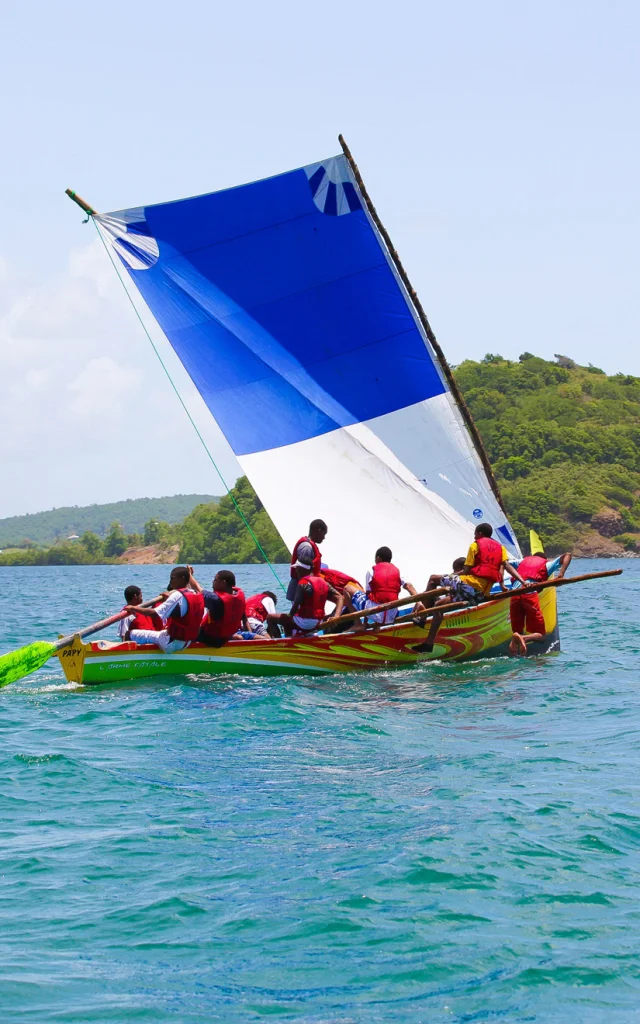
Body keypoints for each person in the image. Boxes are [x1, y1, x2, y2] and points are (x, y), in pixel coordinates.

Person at [124, 566, 205, 652]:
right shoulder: (196, 594)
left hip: (171, 644)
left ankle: (126, 661)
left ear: (182, 578)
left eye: (172, 578)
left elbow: (154, 613)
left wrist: (134, 608)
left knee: (129, 634)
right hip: (187, 642)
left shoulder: (177, 595)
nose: (170, 582)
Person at [509, 547, 572, 655]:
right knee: (541, 636)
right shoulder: (546, 564)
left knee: (516, 632)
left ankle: (516, 642)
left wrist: (502, 584)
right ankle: (523, 638)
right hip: (529, 595)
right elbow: (568, 555)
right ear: (544, 559)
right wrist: (560, 575)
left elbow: (504, 563)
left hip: (514, 595)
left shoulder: (521, 561)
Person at [191, 570, 248, 646]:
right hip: (226, 636)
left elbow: (198, 589)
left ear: (223, 583)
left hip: (211, 639)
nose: (212, 581)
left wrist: (189, 575)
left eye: (215, 580)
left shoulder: (216, 599)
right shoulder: (238, 596)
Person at [288, 559, 344, 636]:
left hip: (304, 623)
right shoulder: (324, 582)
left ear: (303, 569)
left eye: (297, 568)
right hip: (318, 622)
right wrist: (336, 616)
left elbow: (295, 607)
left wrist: (289, 616)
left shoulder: (303, 582)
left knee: (273, 618)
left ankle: (286, 642)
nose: (296, 571)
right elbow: (340, 597)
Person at [364, 547, 417, 626]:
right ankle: (378, 624)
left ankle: (360, 625)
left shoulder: (372, 570)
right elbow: (409, 586)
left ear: (378, 558)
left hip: (376, 614)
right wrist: (419, 603)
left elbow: (368, 595)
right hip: (391, 616)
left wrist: (365, 622)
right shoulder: (397, 571)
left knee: (353, 592)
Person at [287, 520, 327, 600]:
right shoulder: (306, 547)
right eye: (323, 534)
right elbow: (301, 571)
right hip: (300, 590)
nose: (324, 537)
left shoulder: (310, 545)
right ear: (318, 531)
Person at [320, 567, 368, 632]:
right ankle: (359, 625)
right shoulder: (323, 576)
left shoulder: (319, 581)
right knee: (328, 623)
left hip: (352, 599)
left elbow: (341, 598)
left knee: (329, 630)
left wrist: (336, 616)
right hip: (358, 598)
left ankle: (358, 625)